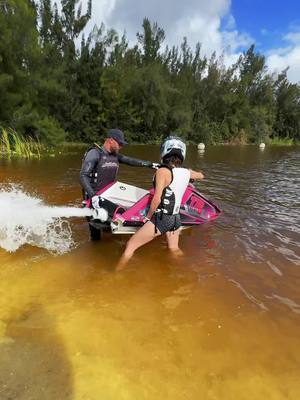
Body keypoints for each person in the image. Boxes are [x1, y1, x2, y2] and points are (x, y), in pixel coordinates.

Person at [116, 136, 204, 270]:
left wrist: (147, 218)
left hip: (162, 219)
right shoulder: (187, 172)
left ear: (165, 151)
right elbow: (201, 175)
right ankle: (187, 270)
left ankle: (115, 275)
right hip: (176, 219)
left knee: (130, 246)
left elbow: (156, 199)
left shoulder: (162, 172)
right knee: (174, 249)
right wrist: (188, 175)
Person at [80, 128, 157, 240]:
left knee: (113, 228)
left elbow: (131, 161)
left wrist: (151, 164)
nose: (122, 146)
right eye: (120, 143)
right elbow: (83, 176)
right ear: (111, 140)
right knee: (96, 236)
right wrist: (93, 196)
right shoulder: (94, 153)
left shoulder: (115, 156)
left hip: (109, 197)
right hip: (94, 198)